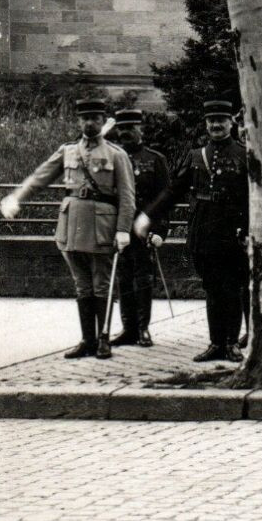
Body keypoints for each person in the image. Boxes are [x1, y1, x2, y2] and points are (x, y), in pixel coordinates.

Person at [1, 98, 135, 360]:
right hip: (71, 226)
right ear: (79, 121)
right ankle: (87, 340)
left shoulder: (116, 155)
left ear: (102, 120)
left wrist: (123, 229)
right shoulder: (68, 151)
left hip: (102, 227)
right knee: (82, 286)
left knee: (102, 285)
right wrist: (16, 197)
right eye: (84, 118)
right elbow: (41, 177)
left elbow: (128, 196)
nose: (89, 123)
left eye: (95, 118)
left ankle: (103, 339)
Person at [137, 101, 251, 362]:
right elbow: (173, 190)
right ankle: (215, 344)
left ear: (231, 123)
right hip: (203, 232)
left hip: (233, 232)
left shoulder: (244, 155)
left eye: (221, 120)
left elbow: (250, 198)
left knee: (232, 288)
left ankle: (232, 343)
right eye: (211, 120)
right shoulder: (196, 156)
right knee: (211, 288)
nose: (216, 125)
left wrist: (246, 230)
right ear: (206, 124)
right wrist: (149, 215)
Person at [107, 108, 169, 348]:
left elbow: (164, 199)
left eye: (130, 128)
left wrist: (160, 231)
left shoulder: (155, 159)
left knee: (142, 278)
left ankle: (143, 329)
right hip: (118, 227)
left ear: (140, 129)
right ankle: (128, 329)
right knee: (123, 277)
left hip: (144, 228)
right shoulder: (111, 158)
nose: (125, 133)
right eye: (121, 128)